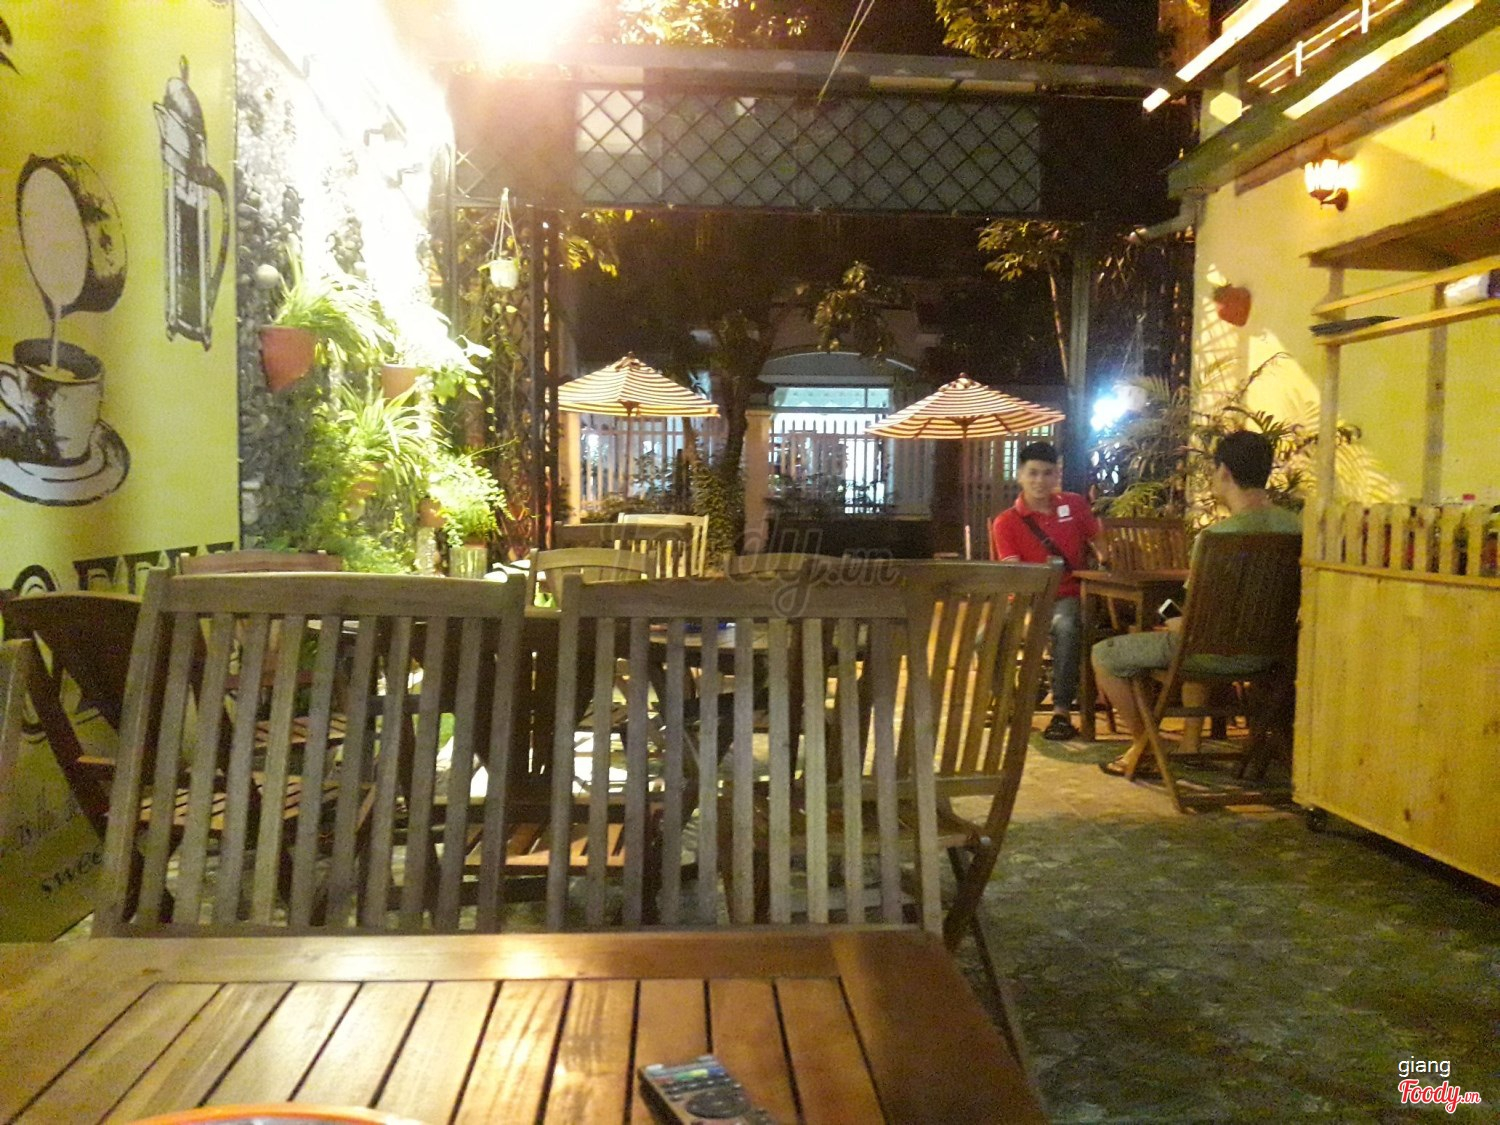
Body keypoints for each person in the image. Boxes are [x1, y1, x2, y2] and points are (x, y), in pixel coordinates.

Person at [1091, 430, 1301, 770]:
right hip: (1270, 655)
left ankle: (1146, 747)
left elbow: (1194, 613)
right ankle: (1190, 744)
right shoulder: (1297, 528)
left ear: (1224, 472)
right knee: (1196, 638)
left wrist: (1173, 618)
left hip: (1207, 651)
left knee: (1104, 654)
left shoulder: (1216, 538)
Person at [990, 441, 1100, 740]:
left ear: (1057, 475)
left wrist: (1106, 556)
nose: (1040, 480)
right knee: (984, 639)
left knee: (1066, 627)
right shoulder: (1006, 522)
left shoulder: (1074, 505)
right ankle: (1008, 702)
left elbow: (1099, 540)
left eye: (1048, 473)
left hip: (1067, 595)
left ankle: (1061, 712)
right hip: (1025, 598)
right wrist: (1029, 615)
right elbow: (1016, 575)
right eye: (1033, 473)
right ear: (1020, 475)